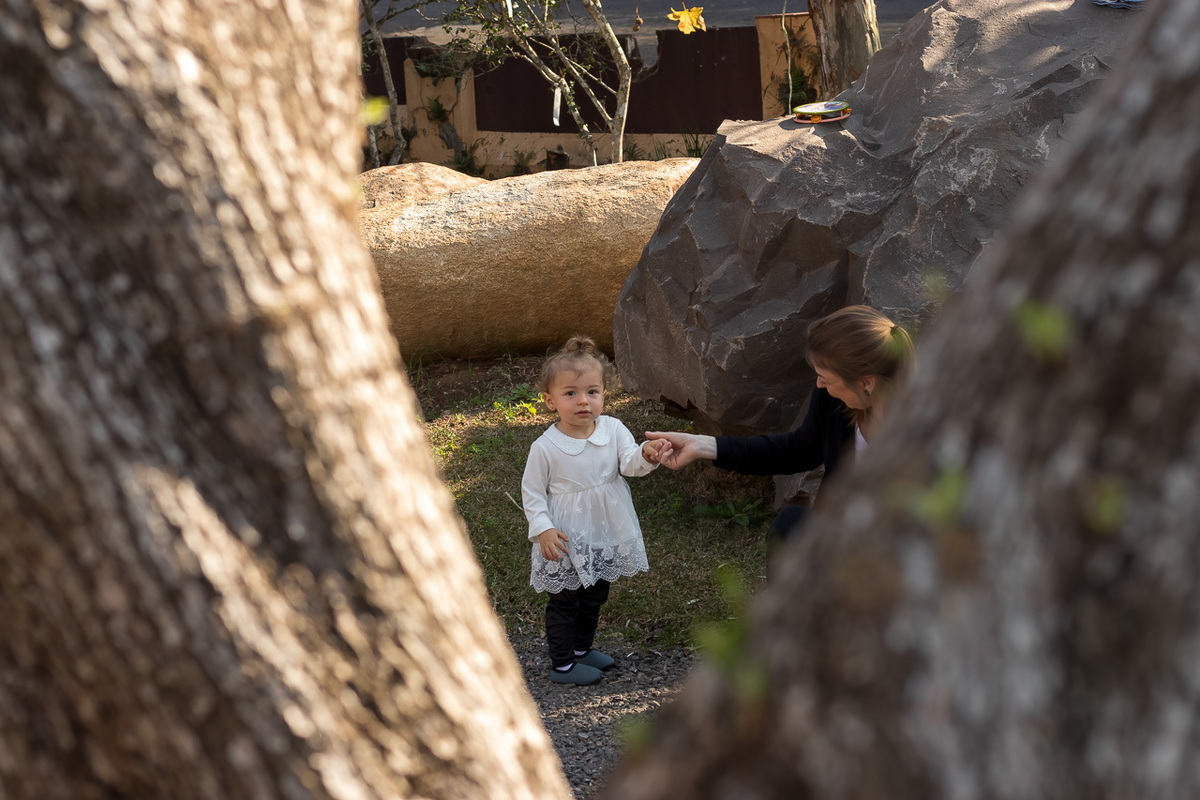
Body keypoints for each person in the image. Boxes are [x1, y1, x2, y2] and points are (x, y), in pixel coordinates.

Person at [646, 305, 915, 556]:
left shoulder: (924, 433)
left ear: (866, 382)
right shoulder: (836, 401)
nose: (819, 385)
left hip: (899, 558)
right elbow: (798, 450)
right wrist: (703, 446)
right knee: (791, 524)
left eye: (825, 378)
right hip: (839, 542)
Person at [522, 336, 669, 685]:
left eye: (592, 391)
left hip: (604, 528)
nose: (583, 401)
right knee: (566, 598)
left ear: (604, 394)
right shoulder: (545, 447)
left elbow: (629, 462)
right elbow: (532, 492)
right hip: (565, 535)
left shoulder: (612, 429)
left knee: (595, 592)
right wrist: (542, 529)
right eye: (570, 393)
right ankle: (562, 664)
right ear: (550, 400)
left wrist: (646, 454)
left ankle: (581, 649)